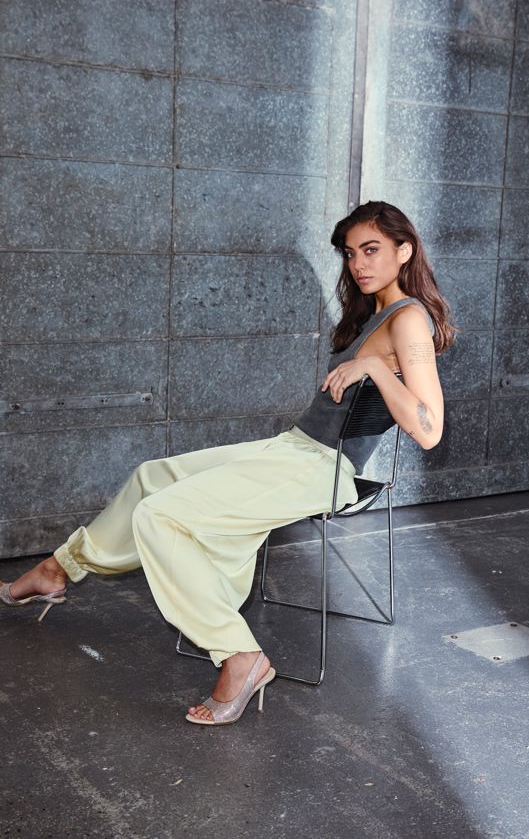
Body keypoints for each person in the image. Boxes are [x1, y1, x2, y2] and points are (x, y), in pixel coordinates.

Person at [0, 200, 455, 726]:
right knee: (151, 478)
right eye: (351, 254)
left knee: (159, 516)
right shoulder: (376, 313)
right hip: (295, 447)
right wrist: (369, 361)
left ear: (405, 250)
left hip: (324, 469)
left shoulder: (408, 319)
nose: (358, 264)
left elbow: (429, 430)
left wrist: (372, 367)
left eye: (371, 250)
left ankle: (240, 655)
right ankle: (58, 569)